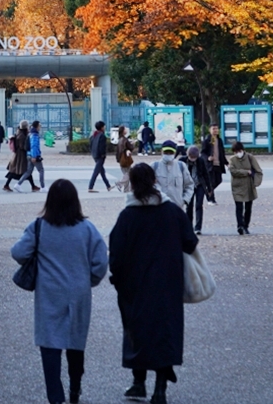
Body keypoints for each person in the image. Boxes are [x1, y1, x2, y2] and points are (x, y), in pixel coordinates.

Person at [11, 179, 108, 404]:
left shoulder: (39, 227)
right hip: (79, 292)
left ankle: (55, 397)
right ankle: (75, 388)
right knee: (75, 343)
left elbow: (18, 252)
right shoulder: (87, 229)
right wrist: (89, 280)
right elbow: (101, 262)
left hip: (49, 293)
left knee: (50, 346)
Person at [109, 164, 198, 404]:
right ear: (155, 180)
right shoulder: (171, 211)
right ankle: (160, 389)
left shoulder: (128, 215)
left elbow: (116, 252)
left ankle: (139, 383)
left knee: (136, 330)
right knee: (164, 331)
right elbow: (190, 242)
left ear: (134, 184)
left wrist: (117, 278)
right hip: (168, 281)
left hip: (134, 283)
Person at [228, 140, 262, 236]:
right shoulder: (232, 159)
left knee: (248, 207)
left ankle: (246, 225)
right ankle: (240, 226)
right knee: (239, 207)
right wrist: (246, 172)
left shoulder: (250, 158)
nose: (237, 154)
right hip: (237, 186)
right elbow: (233, 171)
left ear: (242, 150)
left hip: (248, 186)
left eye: (238, 151)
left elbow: (258, 171)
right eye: (235, 152)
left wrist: (256, 183)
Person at [151, 145, 193, 210]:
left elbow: (189, 184)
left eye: (170, 152)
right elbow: (146, 185)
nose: (168, 154)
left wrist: (184, 200)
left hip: (177, 207)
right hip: (158, 207)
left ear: (175, 152)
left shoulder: (181, 166)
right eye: (166, 152)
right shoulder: (154, 166)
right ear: (161, 151)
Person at [183, 145, 211, 234]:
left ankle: (198, 227)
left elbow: (206, 174)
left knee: (199, 205)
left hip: (199, 185)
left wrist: (209, 188)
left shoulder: (200, 161)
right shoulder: (182, 161)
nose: (192, 159)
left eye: (194, 157)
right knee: (189, 206)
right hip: (188, 186)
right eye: (191, 157)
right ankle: (188, 226)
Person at [5, 121, 38, 192]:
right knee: (22, 170)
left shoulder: (20, 133)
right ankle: (33, 186)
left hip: (19, 155)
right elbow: (22, 146)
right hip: (20, 156)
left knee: (20, 170)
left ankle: (33, 186)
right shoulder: (21, 135)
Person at [200, 125, 227, 203]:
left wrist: (226, 163)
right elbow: (202, 153)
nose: (215, 130)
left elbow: (222, 153)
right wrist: (208, 158)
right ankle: (211, 199)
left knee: (218, 180)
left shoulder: (219, 140)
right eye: (213, 129)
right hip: (210, 165)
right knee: (212, 182)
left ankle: (207, 191)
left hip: (218, 164)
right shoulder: (207, 140)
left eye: (217, 128)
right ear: (210, 130)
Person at [86, 121, 112, 193]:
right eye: (104, 126)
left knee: (102, 171)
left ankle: (108, 186)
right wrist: (103, 154)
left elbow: (90, 145)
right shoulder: (102, 136)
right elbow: (102, 147)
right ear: (102, 127)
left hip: (95, 155)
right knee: (96, 171)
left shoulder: (93, 135)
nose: (105, 127)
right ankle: (90, 187)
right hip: (100, 156)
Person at [114, 126, 136, 193]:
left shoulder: (120, 139)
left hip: (121, 159)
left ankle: (126, 190)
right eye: (125, 129)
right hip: (126, 159)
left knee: (126, 174)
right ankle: (120, 183)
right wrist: (133, 144)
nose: (126, 130)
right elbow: (130, 147)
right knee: (129, 173)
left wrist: (118, 159)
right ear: (123, 131)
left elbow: (118, 151)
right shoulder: (124, 139)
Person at [29, 120, 46, 190]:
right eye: (39, 126)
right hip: (34, 155)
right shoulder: (34, 135)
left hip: (31, 154)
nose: (40, 127)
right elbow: (34, 146)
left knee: (28, 172)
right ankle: (43, 187)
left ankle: (18, 184)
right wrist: (34, 156)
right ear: (37, 126)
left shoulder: (31, 133)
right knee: (41, 170)